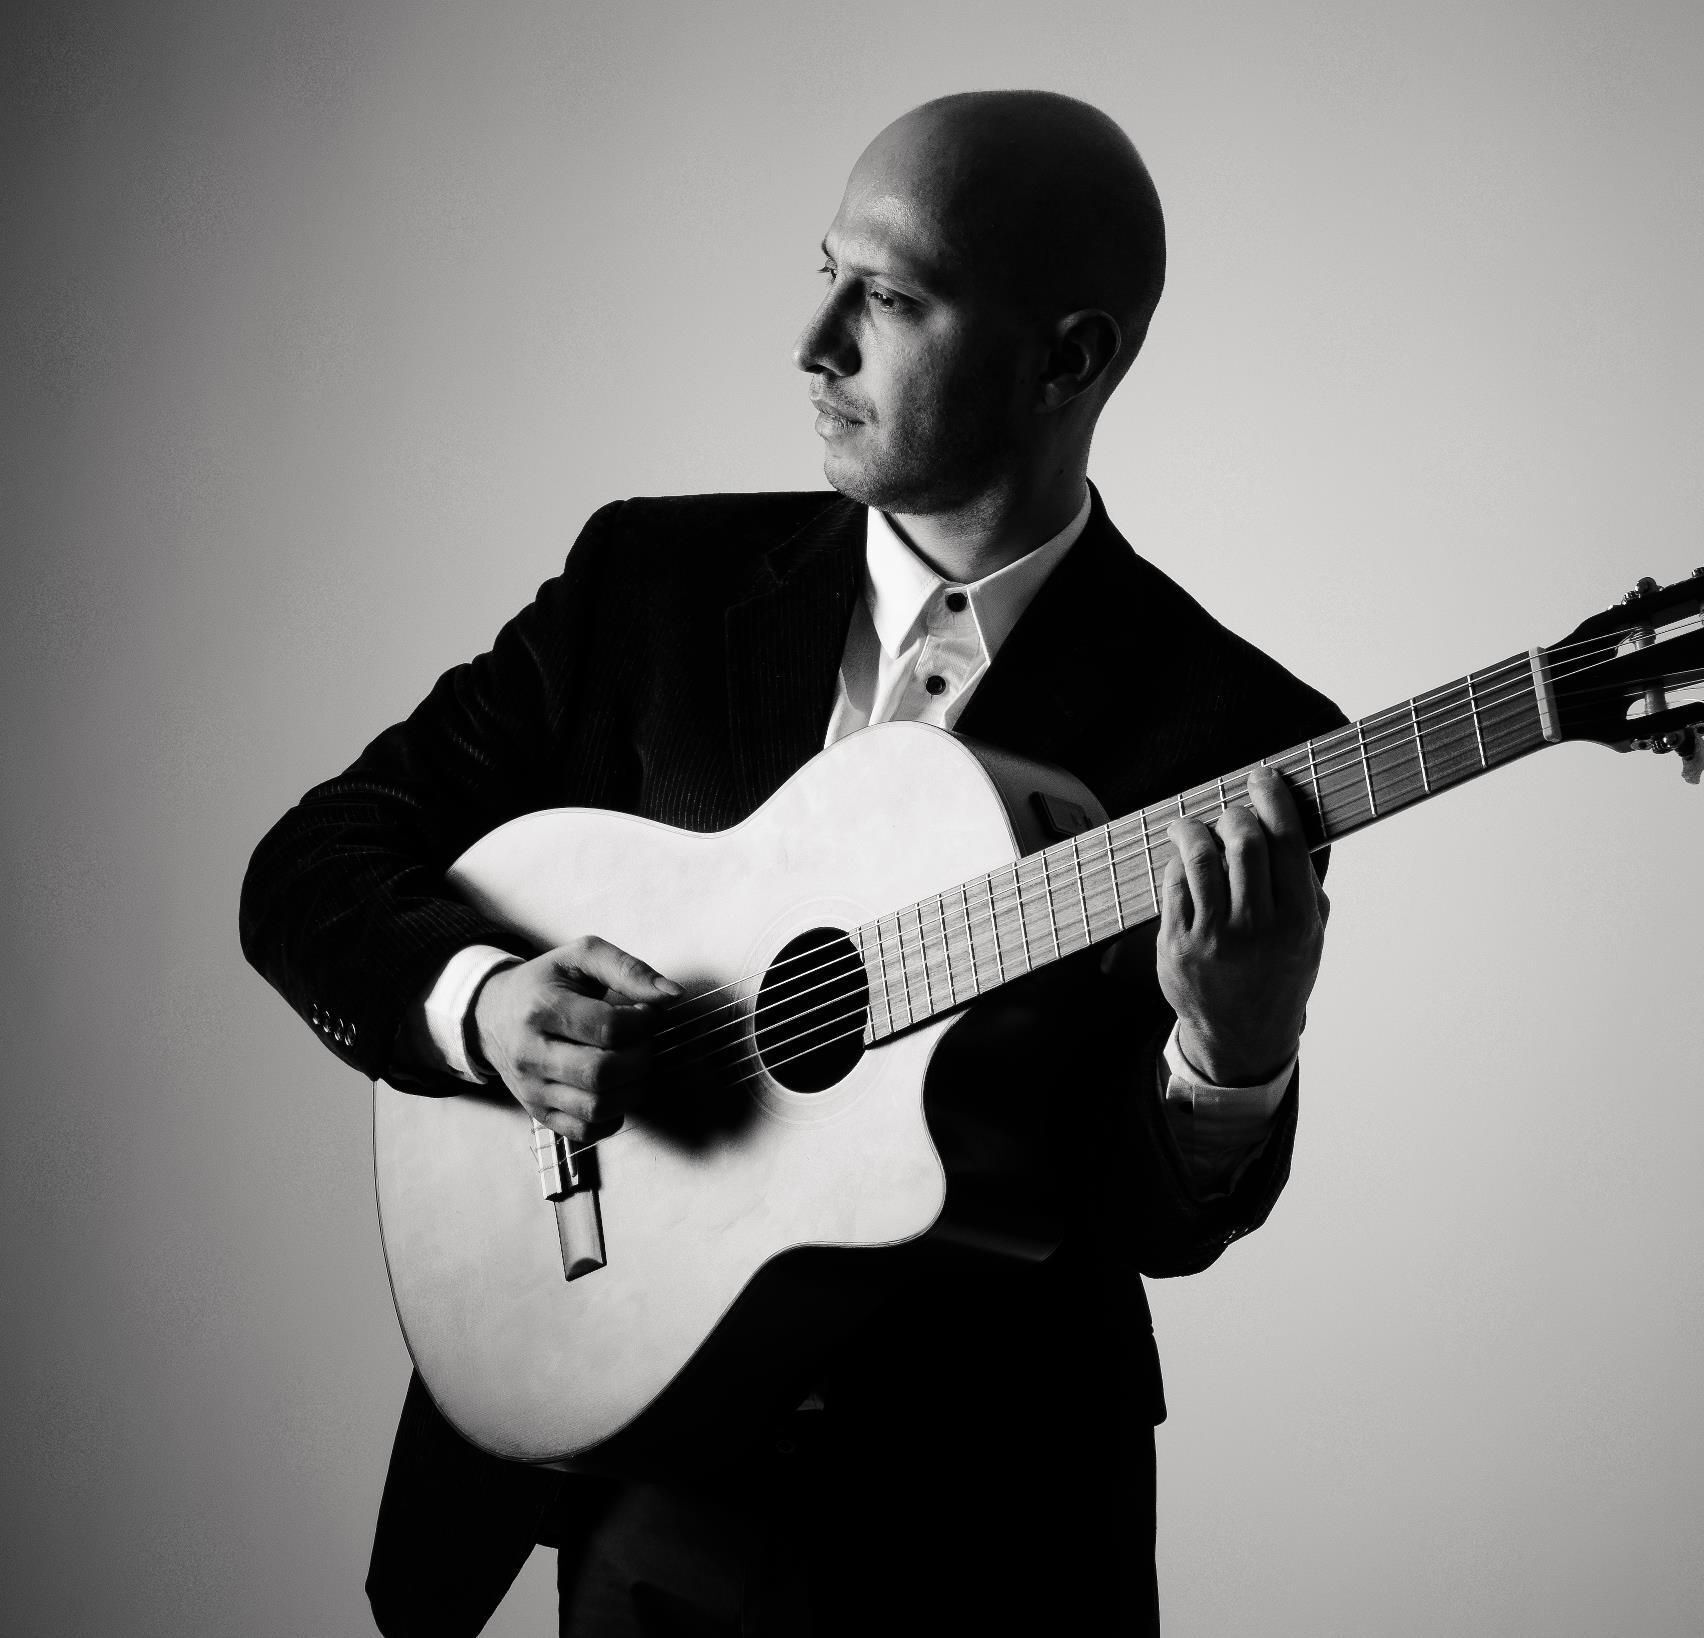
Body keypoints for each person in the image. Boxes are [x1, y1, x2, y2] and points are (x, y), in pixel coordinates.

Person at [241, 90, 1347, 1637]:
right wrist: (486, 1007)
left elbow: (1131, 1217)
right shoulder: (650, 582)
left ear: (1070, 358)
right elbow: (311, 864)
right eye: (824, 270)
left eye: (888, 297)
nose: (815, 338)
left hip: (984, 1533)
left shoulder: (1231, 734)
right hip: (634, 1491)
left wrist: (1236, 1052)